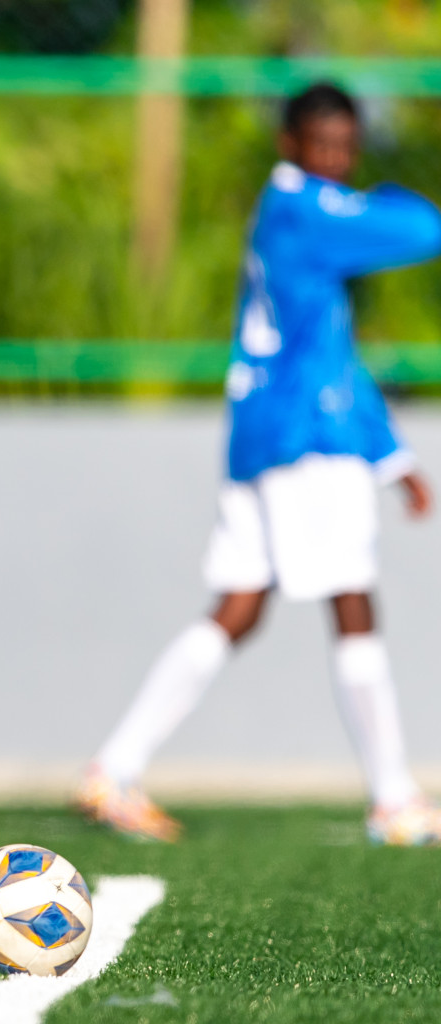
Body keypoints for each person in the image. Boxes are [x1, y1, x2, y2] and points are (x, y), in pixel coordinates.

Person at [76, 83, 441, 845]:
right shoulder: (306, 209)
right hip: (305, 439)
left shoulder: (290, 214)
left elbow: (330, 351)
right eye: (322, 144)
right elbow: (420, 227)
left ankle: (115, 767)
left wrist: (392, 455)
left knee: (239, 607)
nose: (336, 159)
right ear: (290, 143)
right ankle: (394, 799)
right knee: (353, 602)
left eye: (346, 145)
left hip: (265, 434)